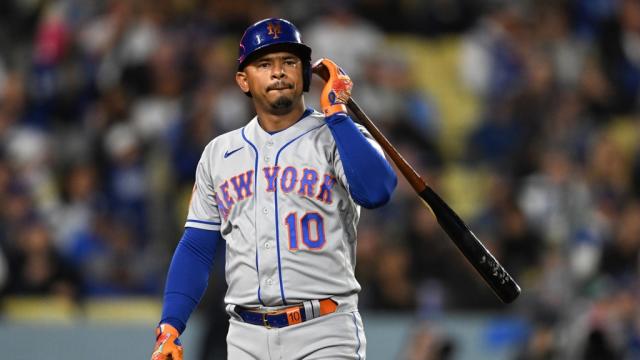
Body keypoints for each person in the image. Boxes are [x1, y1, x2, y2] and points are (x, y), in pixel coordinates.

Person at [151, 17, 397, 360]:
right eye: (265, 63)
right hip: (245, 337)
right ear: (243, 80)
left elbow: (377, 191)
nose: (279, 72)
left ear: (306, 73)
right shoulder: (219, 154)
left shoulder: (339, 134)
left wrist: (338, 113)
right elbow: (196, 246)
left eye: (290, 62)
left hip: (324, 332)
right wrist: (171, 325)